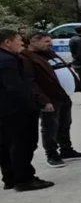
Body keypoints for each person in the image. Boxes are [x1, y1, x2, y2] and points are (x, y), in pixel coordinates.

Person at [20, 32, 81, 168]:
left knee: (65, 124)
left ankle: (66, 150)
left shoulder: (50, 53)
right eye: (46, 41)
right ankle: (52, 154)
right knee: (50, 127)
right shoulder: (27, 58)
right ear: (33, 41)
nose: (50, 44)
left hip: (63, 95)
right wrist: (43, 100)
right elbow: (30, 82)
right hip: (49, 99)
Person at [0, 29, 54, 192]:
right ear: (7, 42)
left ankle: (10, 178)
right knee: (23, 144)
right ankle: (24, 179)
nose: (22, 43)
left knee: (5, 144)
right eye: (18, 40)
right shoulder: (7, 61)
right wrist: (31, 107)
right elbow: (16, 89)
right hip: (16, 111)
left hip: (4, 111)